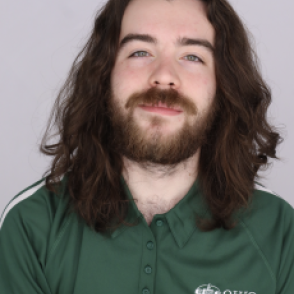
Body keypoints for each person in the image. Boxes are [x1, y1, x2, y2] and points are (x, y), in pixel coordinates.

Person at [0, 0, 293, 293]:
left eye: (192, 56)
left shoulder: (279, 231)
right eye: (140, 52)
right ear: (105, 75)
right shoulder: (33, 226)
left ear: (223, 83)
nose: (164, 75)